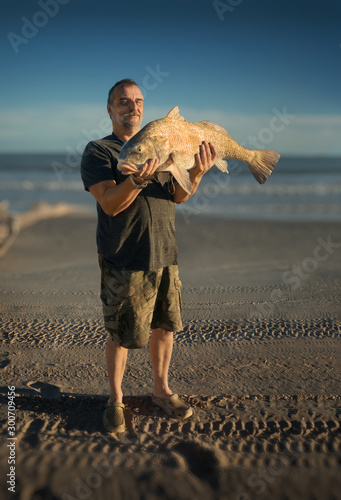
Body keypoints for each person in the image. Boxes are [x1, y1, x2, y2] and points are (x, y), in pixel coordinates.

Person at [81, 78, 217, 434]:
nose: (132, 107)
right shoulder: (100, 152)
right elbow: (110, 204)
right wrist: (138, 180)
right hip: (124, 257)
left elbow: (178, 197)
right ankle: (115, 399)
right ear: (109, 108)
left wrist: (198, 172)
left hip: (165, 252)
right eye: (123, 101)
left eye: (138, 101)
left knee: (165, 327)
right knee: (122, 334)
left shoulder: (160, 144)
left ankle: (161, 391)